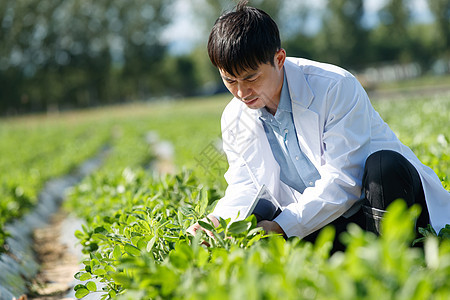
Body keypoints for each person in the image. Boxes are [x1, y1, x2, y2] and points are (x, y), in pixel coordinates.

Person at [187, 0, 450, 247]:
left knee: (384, 165)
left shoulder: (335, 86)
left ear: (279, 59)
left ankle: (396, 252)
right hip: (326, 220)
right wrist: (218, 220)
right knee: (257, 219)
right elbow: (246, 185)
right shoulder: (234, 117)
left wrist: (280, 227)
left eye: (251, 78)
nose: (242, 92)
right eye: (230, 81)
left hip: (384, 203)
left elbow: (344, 180)